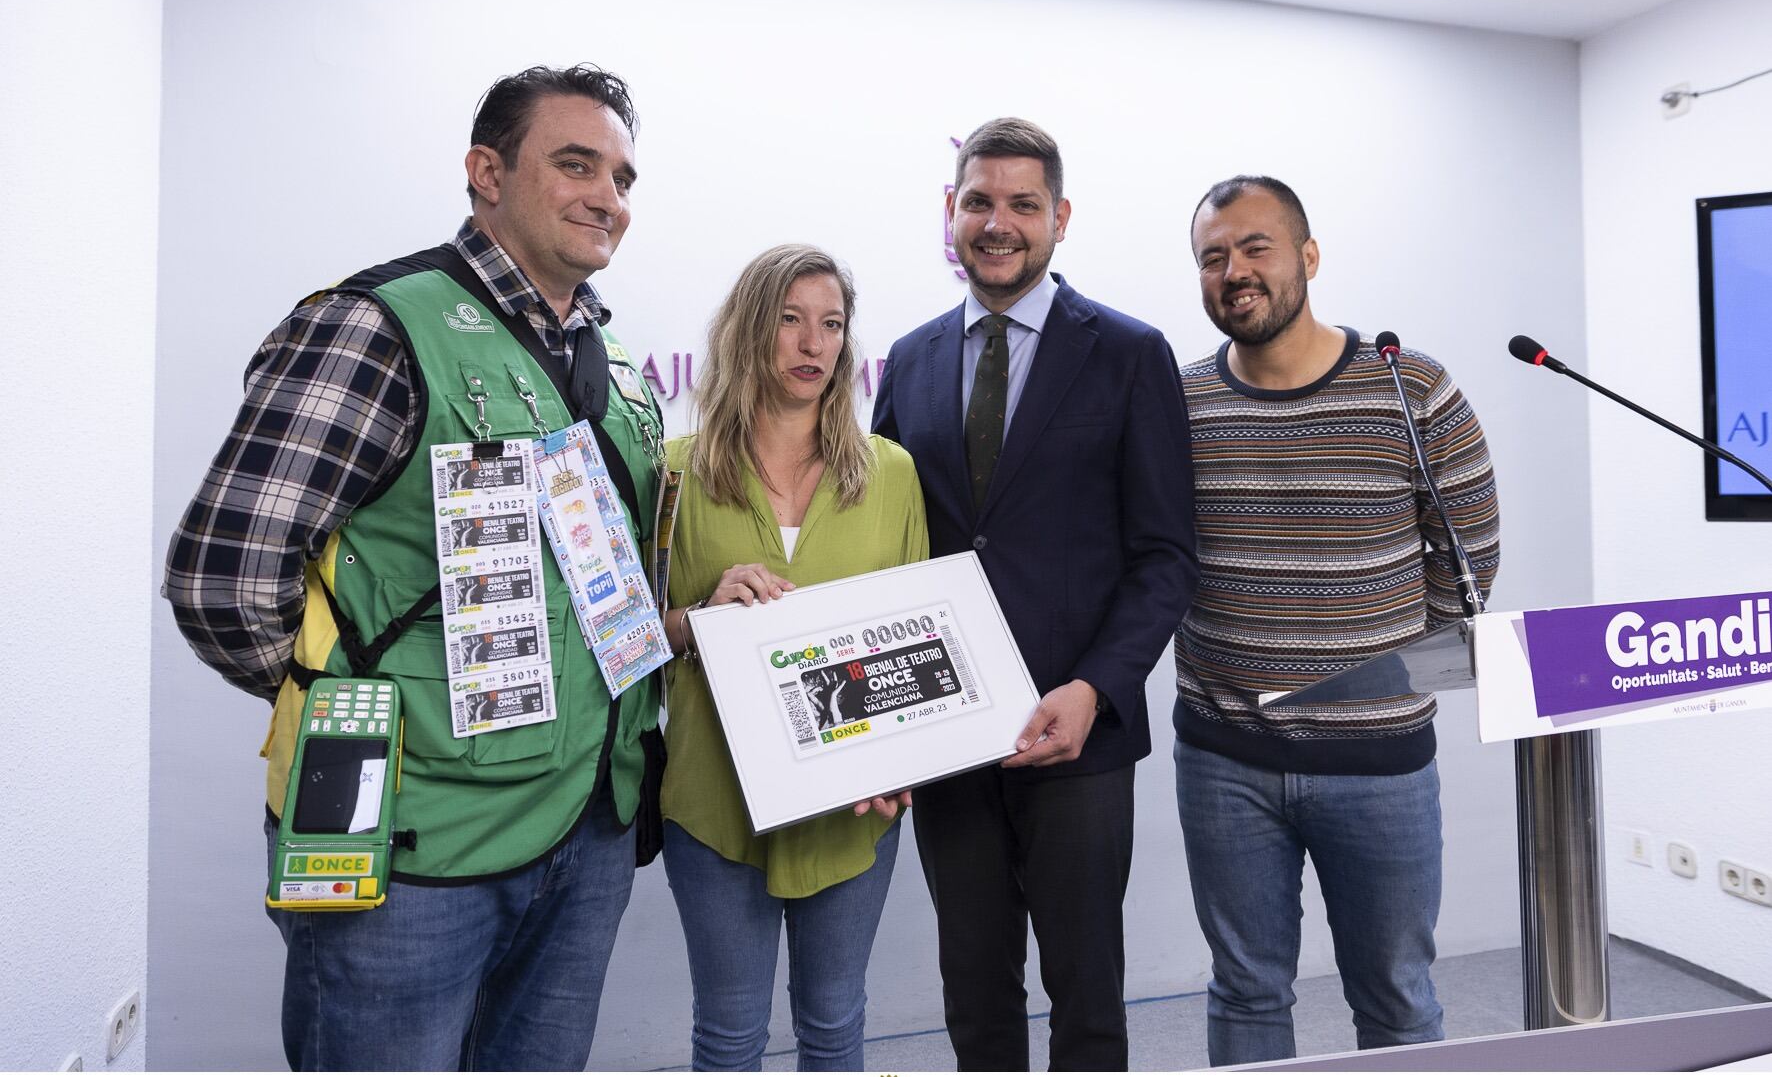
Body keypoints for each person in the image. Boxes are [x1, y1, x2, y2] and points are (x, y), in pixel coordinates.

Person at [164, 64, 665, 1071]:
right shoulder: (376, 325)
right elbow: (222, 578)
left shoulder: (611, 370)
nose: (605, 196)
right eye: (574, 165)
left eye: (620, 176)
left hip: (586, 832)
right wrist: (361, 702)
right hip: (413, 856)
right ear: (487, 171)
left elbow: (612, 591)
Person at [872, 118, 1198, 1070]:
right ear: (951, 212)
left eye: (1023, 204)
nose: (998, 223)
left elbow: (1167, 555)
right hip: (946, 728)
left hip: (1078, 730)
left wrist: (1095, 687)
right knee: (973, 994)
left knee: (1087, 996)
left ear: (1060, 218)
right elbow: (895, 544)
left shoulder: (1130, 354)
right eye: (979, 201)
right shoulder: (911, 357)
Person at [1173, 175, 1502, 1065]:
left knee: (1396, 999)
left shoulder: (1413, 389)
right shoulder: (1178, 403)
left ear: (1308, 258)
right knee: (1245, 992)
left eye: (1255, 248)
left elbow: (1468, 569)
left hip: (1381, 766)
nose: (1233, 271)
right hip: (1224, 760)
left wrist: (1379, 671)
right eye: (1212, 256)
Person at [657, 243, 927, 1071]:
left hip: (852, 809)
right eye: (790, 320)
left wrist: (905, 758)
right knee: (729, 1037)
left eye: (831, 325)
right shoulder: (675, 472)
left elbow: (922, 643)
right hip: (713, 802)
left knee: (836, 1026)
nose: (813, 343)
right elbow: (628, 642)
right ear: (749, 331)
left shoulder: (889, 473)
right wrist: (698, 618)